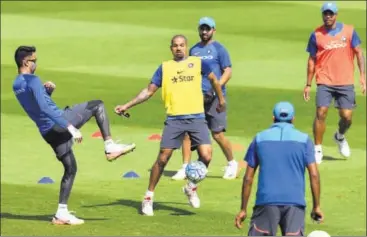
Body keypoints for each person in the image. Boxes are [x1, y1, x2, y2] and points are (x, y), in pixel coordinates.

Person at [12, 46, 136, 225]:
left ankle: (61, 213)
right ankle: (109, 146)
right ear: (26, 62)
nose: (36, 64)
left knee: (71, 168)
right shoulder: (32, 80)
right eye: (34, 61)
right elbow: (46, 108)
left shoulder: (17, 84)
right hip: (59, 123)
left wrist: (46, 92)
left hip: (48, 133)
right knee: (97, 105)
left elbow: (36, 105)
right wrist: (71, 127)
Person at [114, 34, 226, 216]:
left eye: (182, 45)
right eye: (175, 46)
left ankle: (190, 187)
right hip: (175, 119)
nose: (179, 48)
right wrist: (127, 105)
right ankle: (148, 197)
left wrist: (221, 100)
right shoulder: (165, 68)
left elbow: (214, 79)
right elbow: (148, 91)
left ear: (186, 47)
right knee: (163, 158)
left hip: (197, 118)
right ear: (171, 48)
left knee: (206, 155)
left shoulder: (198, 63)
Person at [234, 102, 324, 236]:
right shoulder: (305, 140)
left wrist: (243, 209)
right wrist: (316, 206)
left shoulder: (259, 139)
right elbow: (314, 175)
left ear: (273, 118)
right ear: (293, 118)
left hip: (266, 201)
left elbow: (248, 178)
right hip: (295, 202)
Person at [172, 17, 238, 181]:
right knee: (187, 131)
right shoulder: (193, 50)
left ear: (213, 30)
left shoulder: (219, 49)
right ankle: (185, 167)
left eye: (207, 29)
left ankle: (232, 163)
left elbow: (227, 71)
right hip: (195, 97)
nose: (204, 32)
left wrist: (215, 89)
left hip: (215, 97)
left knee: (217, 133)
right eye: (202, 29)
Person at [303, 2, 366, 164]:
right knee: (321, 112)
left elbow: (359, 53)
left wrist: (363, 77)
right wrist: (308, 84)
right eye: (325, 14)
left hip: (345, 81)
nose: (328, 17)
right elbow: (311, 60)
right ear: (322, 15)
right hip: (324, 80)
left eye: (331, 14)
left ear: (336, 15)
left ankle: (339, 136)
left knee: (347, 117)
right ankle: (318, 148)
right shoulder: (316, 34)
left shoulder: (349, 31)